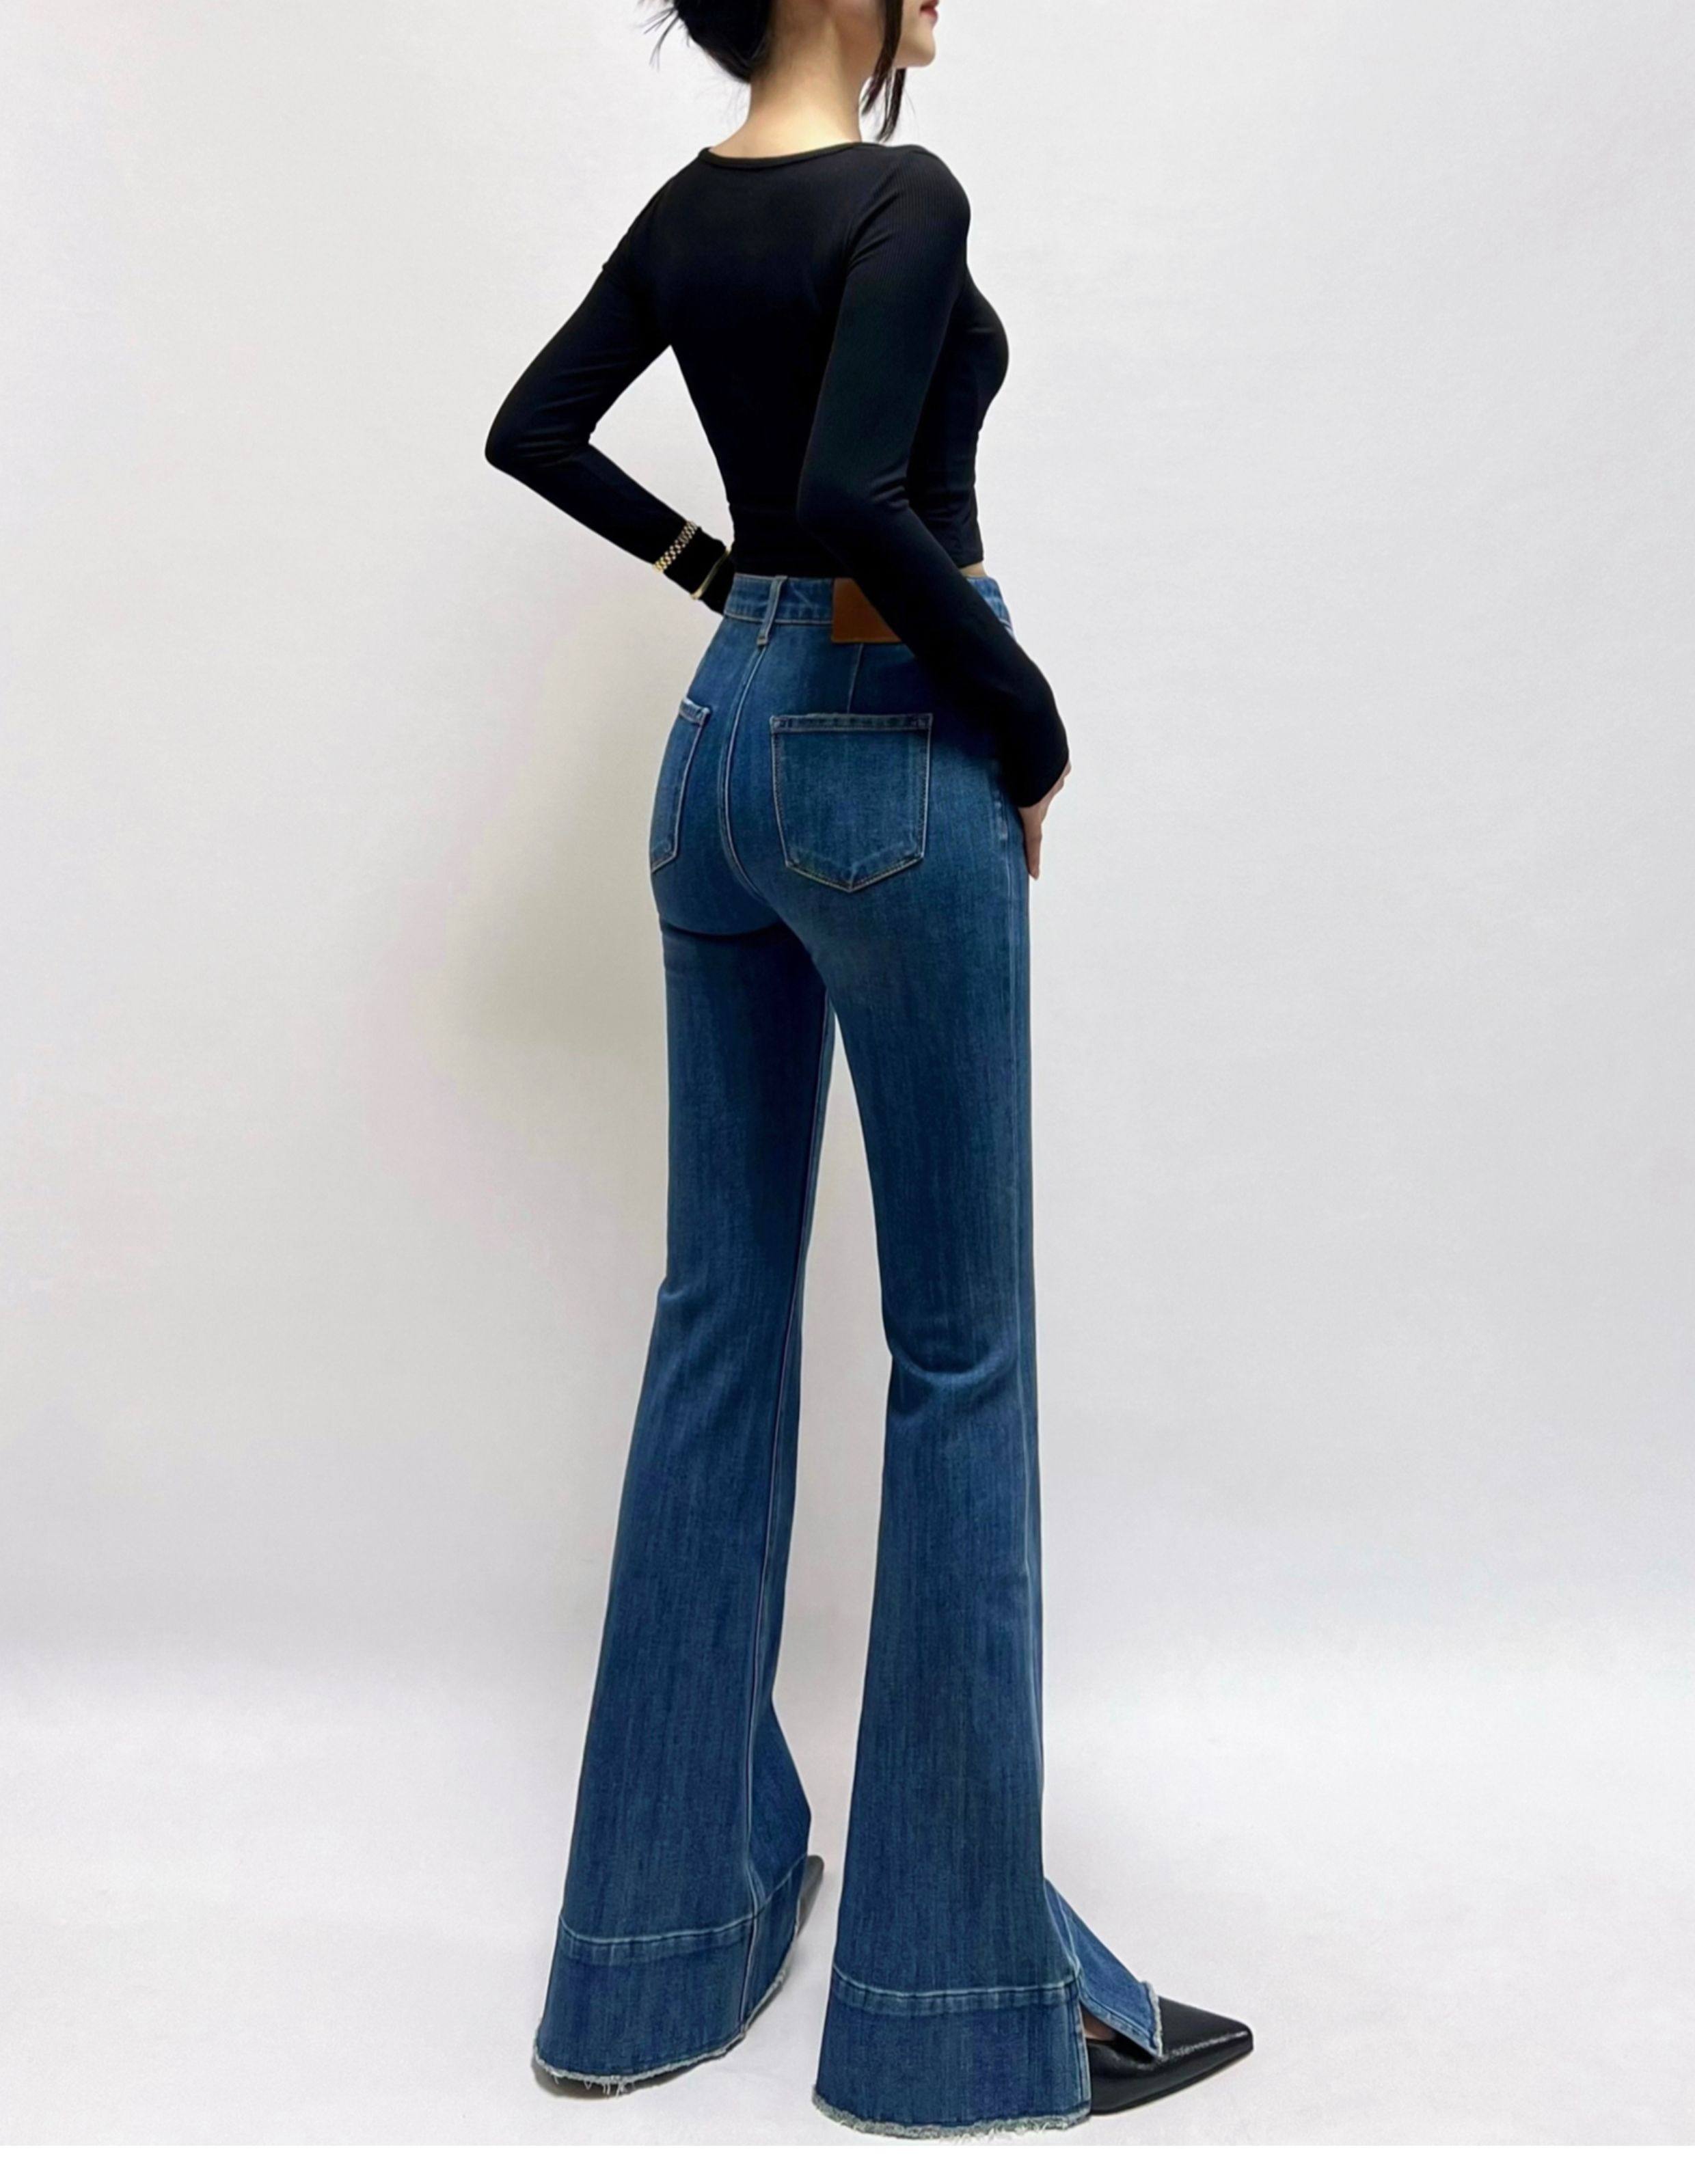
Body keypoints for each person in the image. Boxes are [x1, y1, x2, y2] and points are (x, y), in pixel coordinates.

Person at [484, 0, 1251, 2139]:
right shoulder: (905, 195)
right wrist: (1026, 716)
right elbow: (854, 490)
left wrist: (707, 579)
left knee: (715, 1317)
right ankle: (948, 2004)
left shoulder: (687, 210)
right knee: (961, 1355)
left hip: (713, 752)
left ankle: (645, 1961)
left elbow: (535, 428)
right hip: (885, 748)